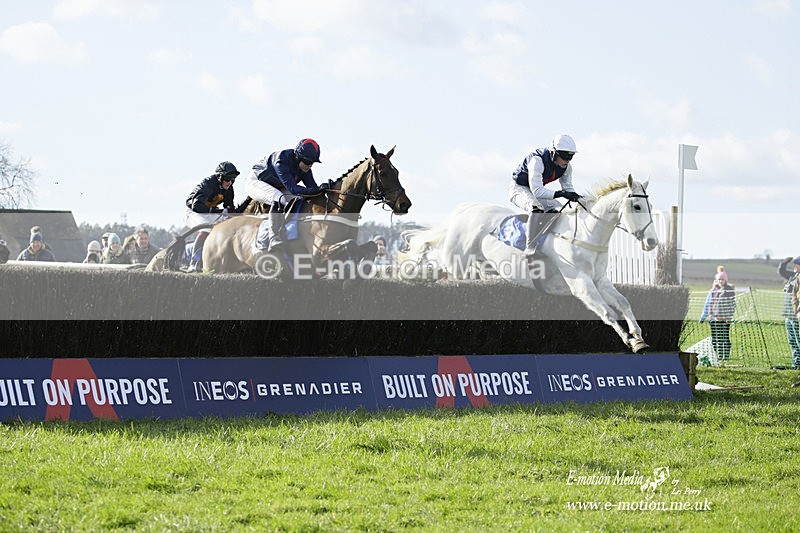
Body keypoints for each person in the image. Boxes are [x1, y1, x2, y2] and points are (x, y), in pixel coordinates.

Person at [244, 138, 330, 254]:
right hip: (256, 182)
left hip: (277, 185)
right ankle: (273, 237)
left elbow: (313, 189)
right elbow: (293, 189)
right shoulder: (281, 161)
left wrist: (325, 189)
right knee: (279, 199)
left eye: (312, 163)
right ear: (297, 156)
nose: (309, 165)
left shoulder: (305, 168)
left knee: (300, 199)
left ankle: (288, 230)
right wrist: (316, 190)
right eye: (307, 162)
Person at [510, 134, 582, 257]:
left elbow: (568, 188)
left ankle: (545, 240)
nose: (567, 160)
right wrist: (561, 193)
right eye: (565, 156)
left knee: (559, 211)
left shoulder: (567, 168)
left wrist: (580, 199)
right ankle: (530, 247)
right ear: (554, 153)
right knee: (536, 208)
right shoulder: (537, 161)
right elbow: (537, 191)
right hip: (519, 188)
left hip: (534, 190)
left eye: (571, 156)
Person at [184, 161, 239, 271]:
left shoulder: (229, 189)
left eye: (232, 180)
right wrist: (218, 211)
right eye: (227, 179)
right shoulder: (208, 184)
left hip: (209, 212)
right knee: (206, 228)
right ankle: (194, 263)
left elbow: (230, 209)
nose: (230, 183)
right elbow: (197, 206)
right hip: (193, 212)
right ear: (219, 177)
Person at [699, 266, 737, 362]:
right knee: (716, 338)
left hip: (725, 319)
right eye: (719, 279)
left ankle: (725, 355)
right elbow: (708, 304)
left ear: (726, 280)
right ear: (716, 280)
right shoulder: (713, 291)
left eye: (722, 279)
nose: (720, 281)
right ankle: (718, 355)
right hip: (714, 319)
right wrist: (703, 317)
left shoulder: (729, 291)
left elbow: (731, 305)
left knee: (724, 337)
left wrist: (729, 317)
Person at [780, 255, 800, 369]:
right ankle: (796, 364)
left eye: (796, 264)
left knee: (798, 341)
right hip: (788, 314)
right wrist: (784, 263)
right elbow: (781, 271)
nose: (794, 266)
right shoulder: (793, 277)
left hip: (796, 316)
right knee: (792, 342)